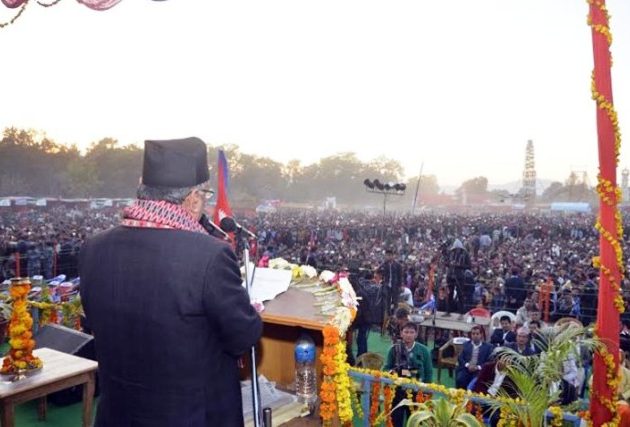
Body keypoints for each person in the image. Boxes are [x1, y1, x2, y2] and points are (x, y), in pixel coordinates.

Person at [79, 137, 263, 427]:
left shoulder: (93, 248)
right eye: (205, 196)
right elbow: (244, 335)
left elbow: (93, 324)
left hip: (118, 416)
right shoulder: (209, 256)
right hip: (192, 418)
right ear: (193, 199)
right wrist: (251, 311)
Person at [383, 322, 432, 427]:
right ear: (401, 333)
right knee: (396, 420)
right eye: (406, 332)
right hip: (397, 391)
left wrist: (427, 392)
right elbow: (386, 368)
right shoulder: (394, 349)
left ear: (416, 334)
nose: (408, 335)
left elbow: (427, 373)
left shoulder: (424, 351)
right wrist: (391, 372)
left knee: (415, 421)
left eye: (411, 332)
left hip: (417, 391)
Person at [379, 248, 403, 313]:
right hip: (387, 285)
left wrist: (400, 285)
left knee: (395, 301)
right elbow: (378, 271)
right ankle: (388, 315)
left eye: (389, 255)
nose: (388, 257)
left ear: (392, 256)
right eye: (387, 255)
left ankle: (396, 315)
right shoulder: (384, 264)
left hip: (395, 285)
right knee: (387, 301)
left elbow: (400, 276)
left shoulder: (398, 265)